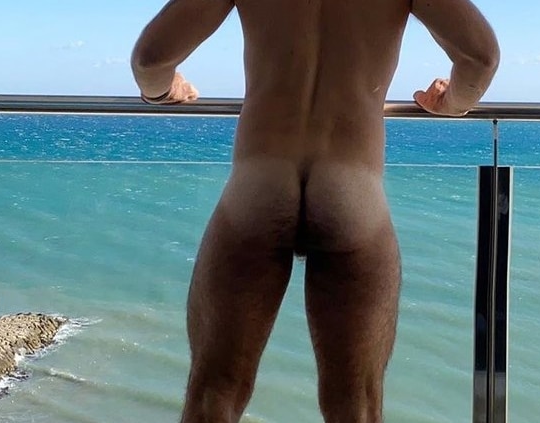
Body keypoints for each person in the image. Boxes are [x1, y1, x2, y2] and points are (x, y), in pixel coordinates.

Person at [131, 0, 499, 421]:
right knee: (355, 407)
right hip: (352, 191)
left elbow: (150, 59)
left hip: (259, 184)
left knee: (214, 396)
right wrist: (452, 102)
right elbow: (480, 58)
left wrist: (163, 90)